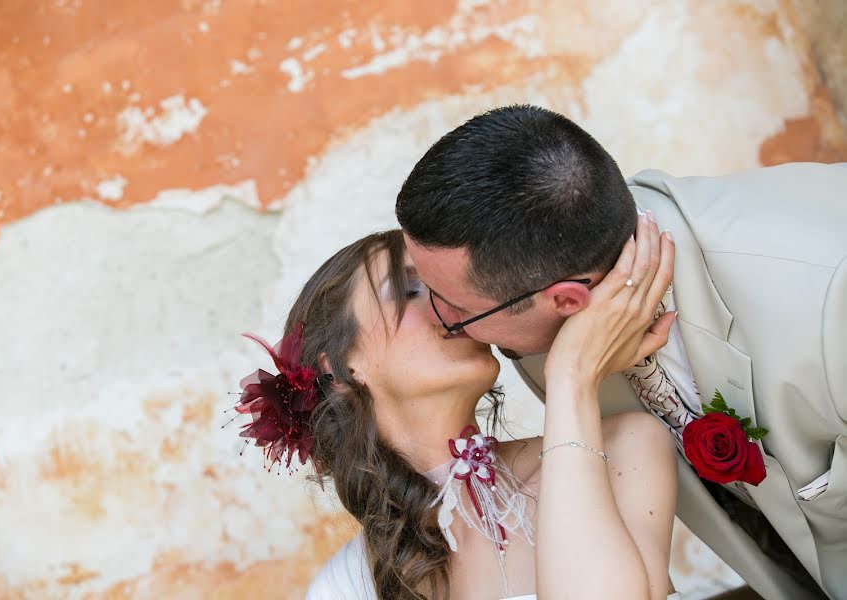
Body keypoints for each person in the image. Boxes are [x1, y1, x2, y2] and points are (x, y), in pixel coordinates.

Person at [395, 104, 847, 599]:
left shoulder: (826, 299)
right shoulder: (554, 323)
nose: (443, 321)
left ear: (567, 299)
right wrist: (571, 375)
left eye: (455, 307)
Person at [231, 221, 682, 599]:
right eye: (410, 289)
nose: (450, 306)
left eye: (452, 287)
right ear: (342, 367)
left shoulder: (626, 449)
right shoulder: (347, 587)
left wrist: (571, 375)